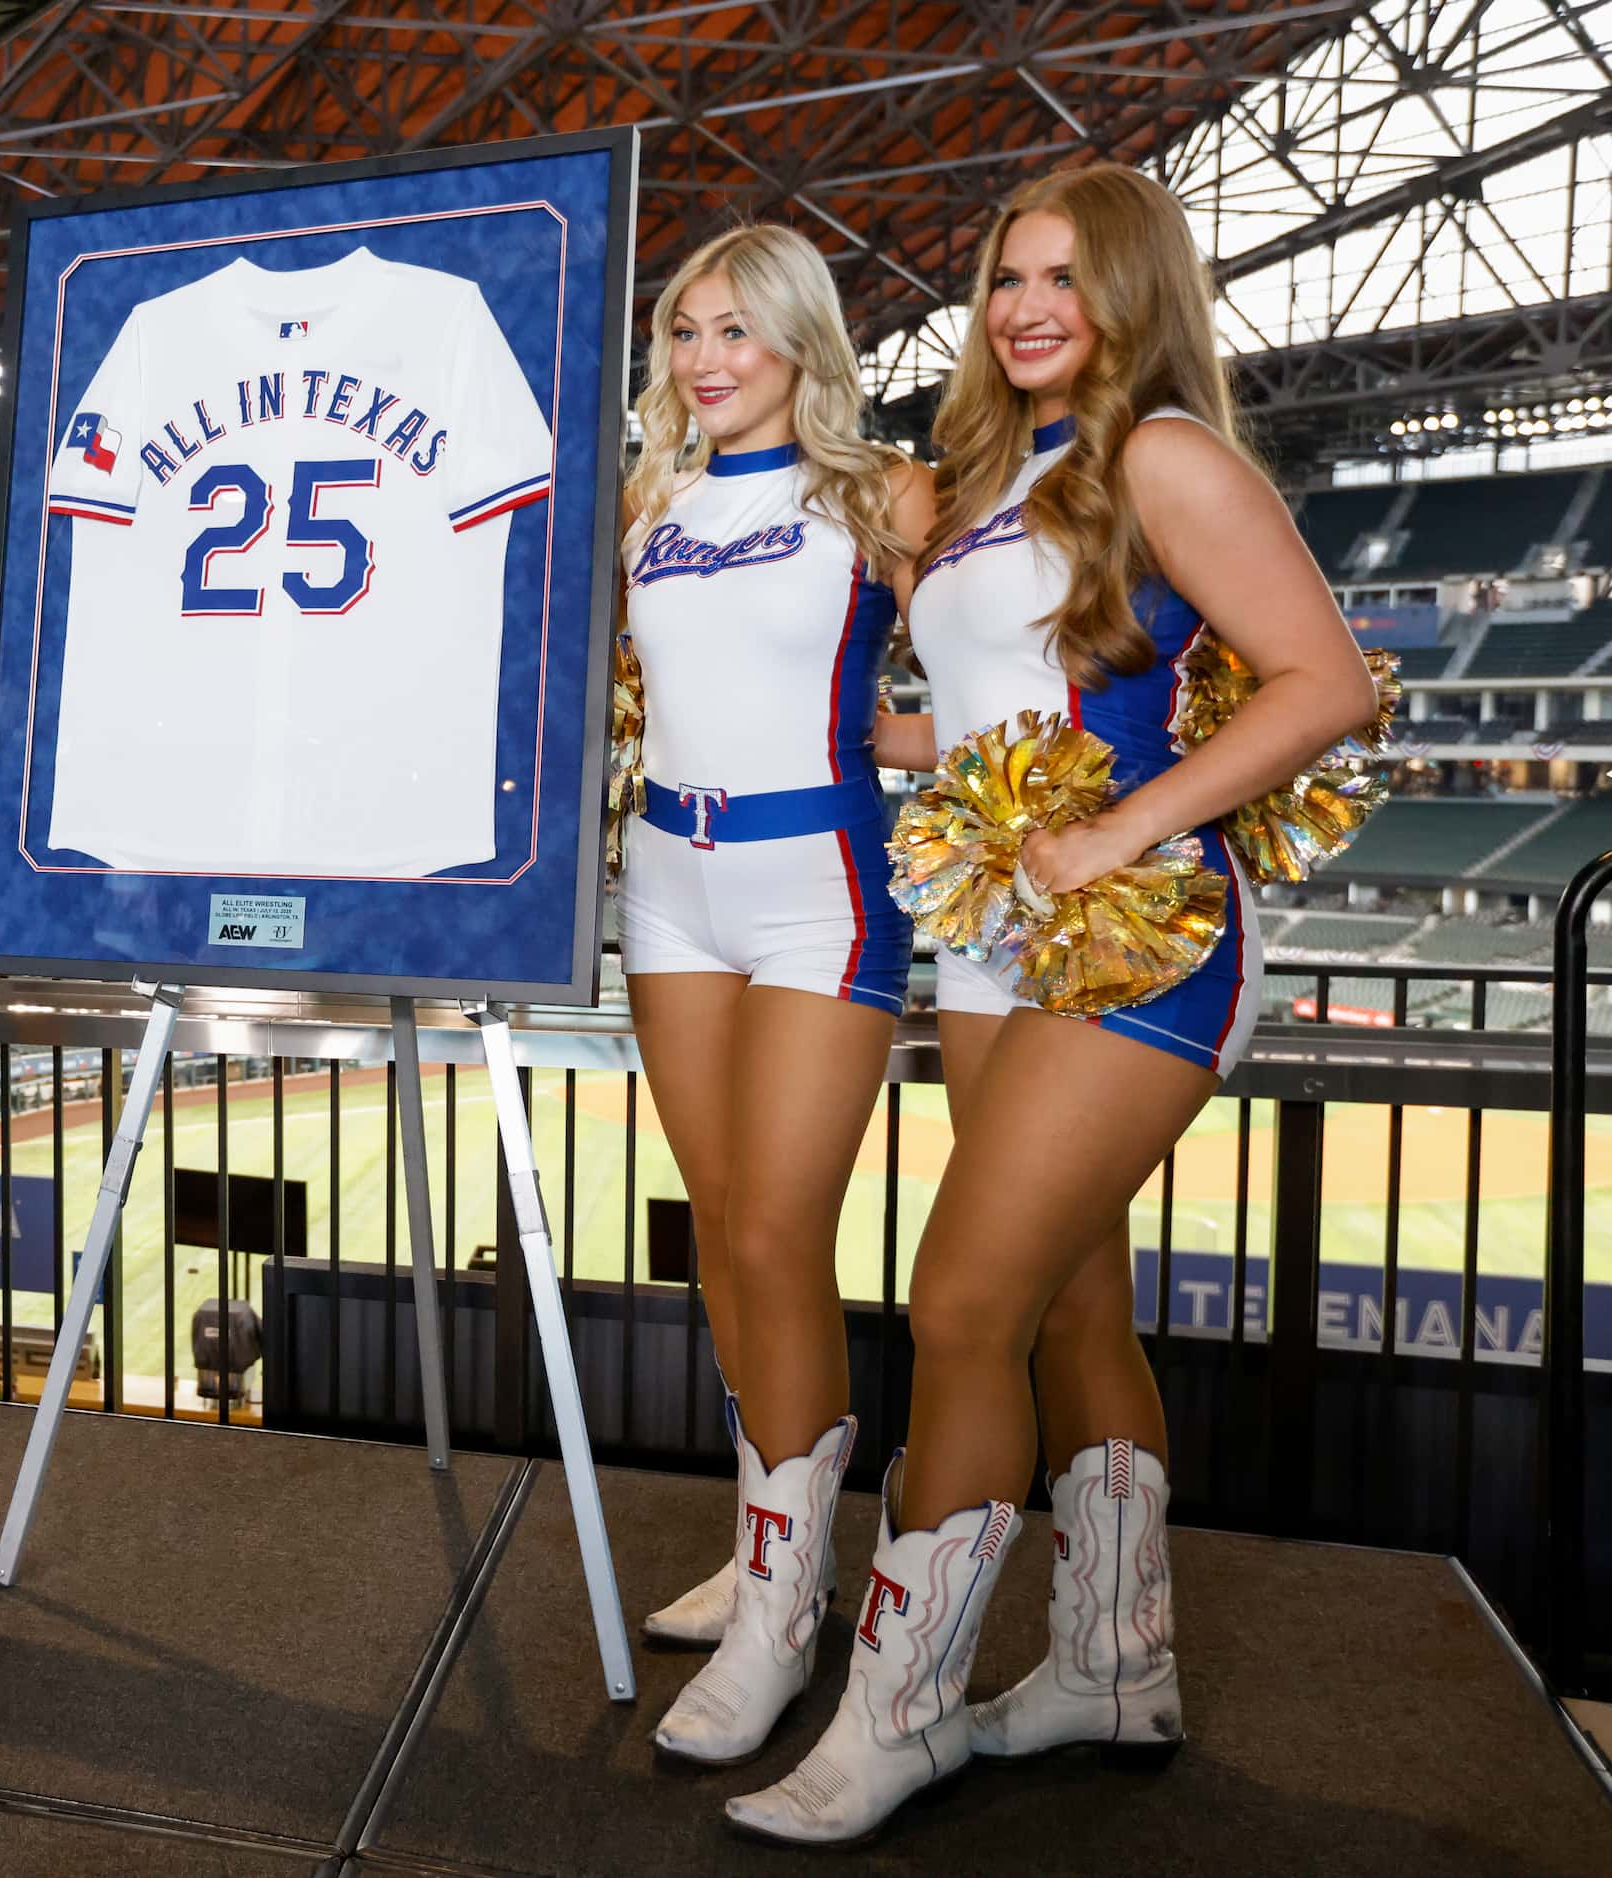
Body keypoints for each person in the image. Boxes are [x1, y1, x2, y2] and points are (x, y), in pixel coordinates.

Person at [729, 165, 1377, 1845]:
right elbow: (1015, 690)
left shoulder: (1163, 454)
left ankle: (902, 1709)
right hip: (992, 934)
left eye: (1064, 280)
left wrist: (1118, 826)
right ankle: (1112, 1661)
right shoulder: (1004, 470)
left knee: (958, 1307)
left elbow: (1327, 678)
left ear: (1134, 296)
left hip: (1140, 938)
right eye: (1006, 274)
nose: (1023, 306)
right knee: (1074, 1309)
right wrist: (910, 752)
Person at [614, 225, 932, 1767]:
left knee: (770, 1232)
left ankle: (782, 1617)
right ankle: (773, 1552)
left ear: (802, 341)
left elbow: (1015, 653)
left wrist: (943, 755)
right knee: (719, 1225)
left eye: (737, 330)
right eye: (685, 332)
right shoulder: (649, 497)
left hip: (819, 884)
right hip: (666, 881)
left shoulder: (884, 495)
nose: (706, 360)